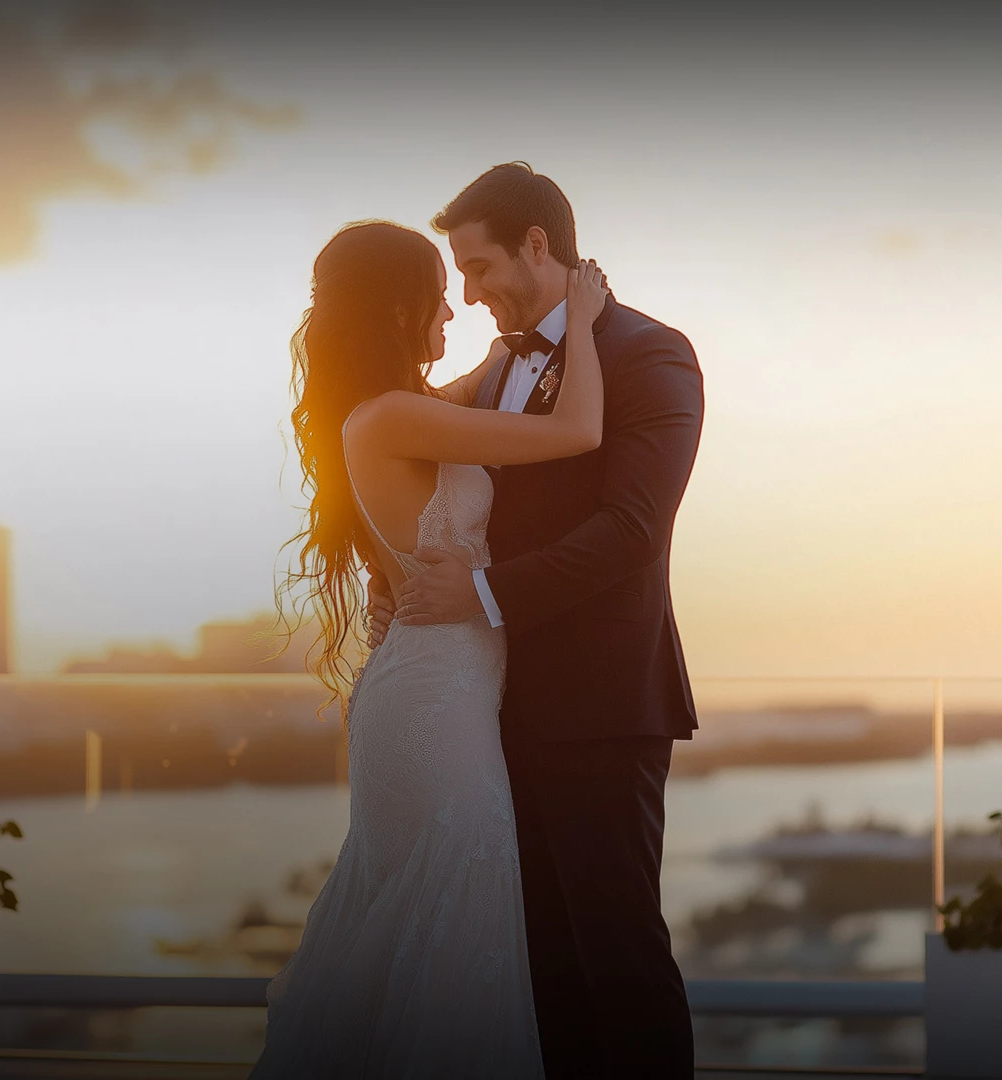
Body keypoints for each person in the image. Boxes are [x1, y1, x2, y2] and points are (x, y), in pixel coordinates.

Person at [251, 216, 612, 1078]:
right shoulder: (391, 420)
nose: (454, 317)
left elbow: (476, 380)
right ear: (395, 309)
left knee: (428, 932)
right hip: (432, 713)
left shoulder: (385, 415)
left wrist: (521, 340)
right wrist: (587, 325)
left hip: (427, 692)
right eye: (438, 303)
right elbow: (576, 433)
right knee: (456, 921)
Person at [377, 162, 705, 1079]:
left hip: (603, 709)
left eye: (479, 269)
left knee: (619, 961)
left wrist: (480, 596)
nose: (471, 294)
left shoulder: (651, 353)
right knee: (538, 971)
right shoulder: (489, 372)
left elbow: (632, 531)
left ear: (536, 244)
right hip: (486, 711)